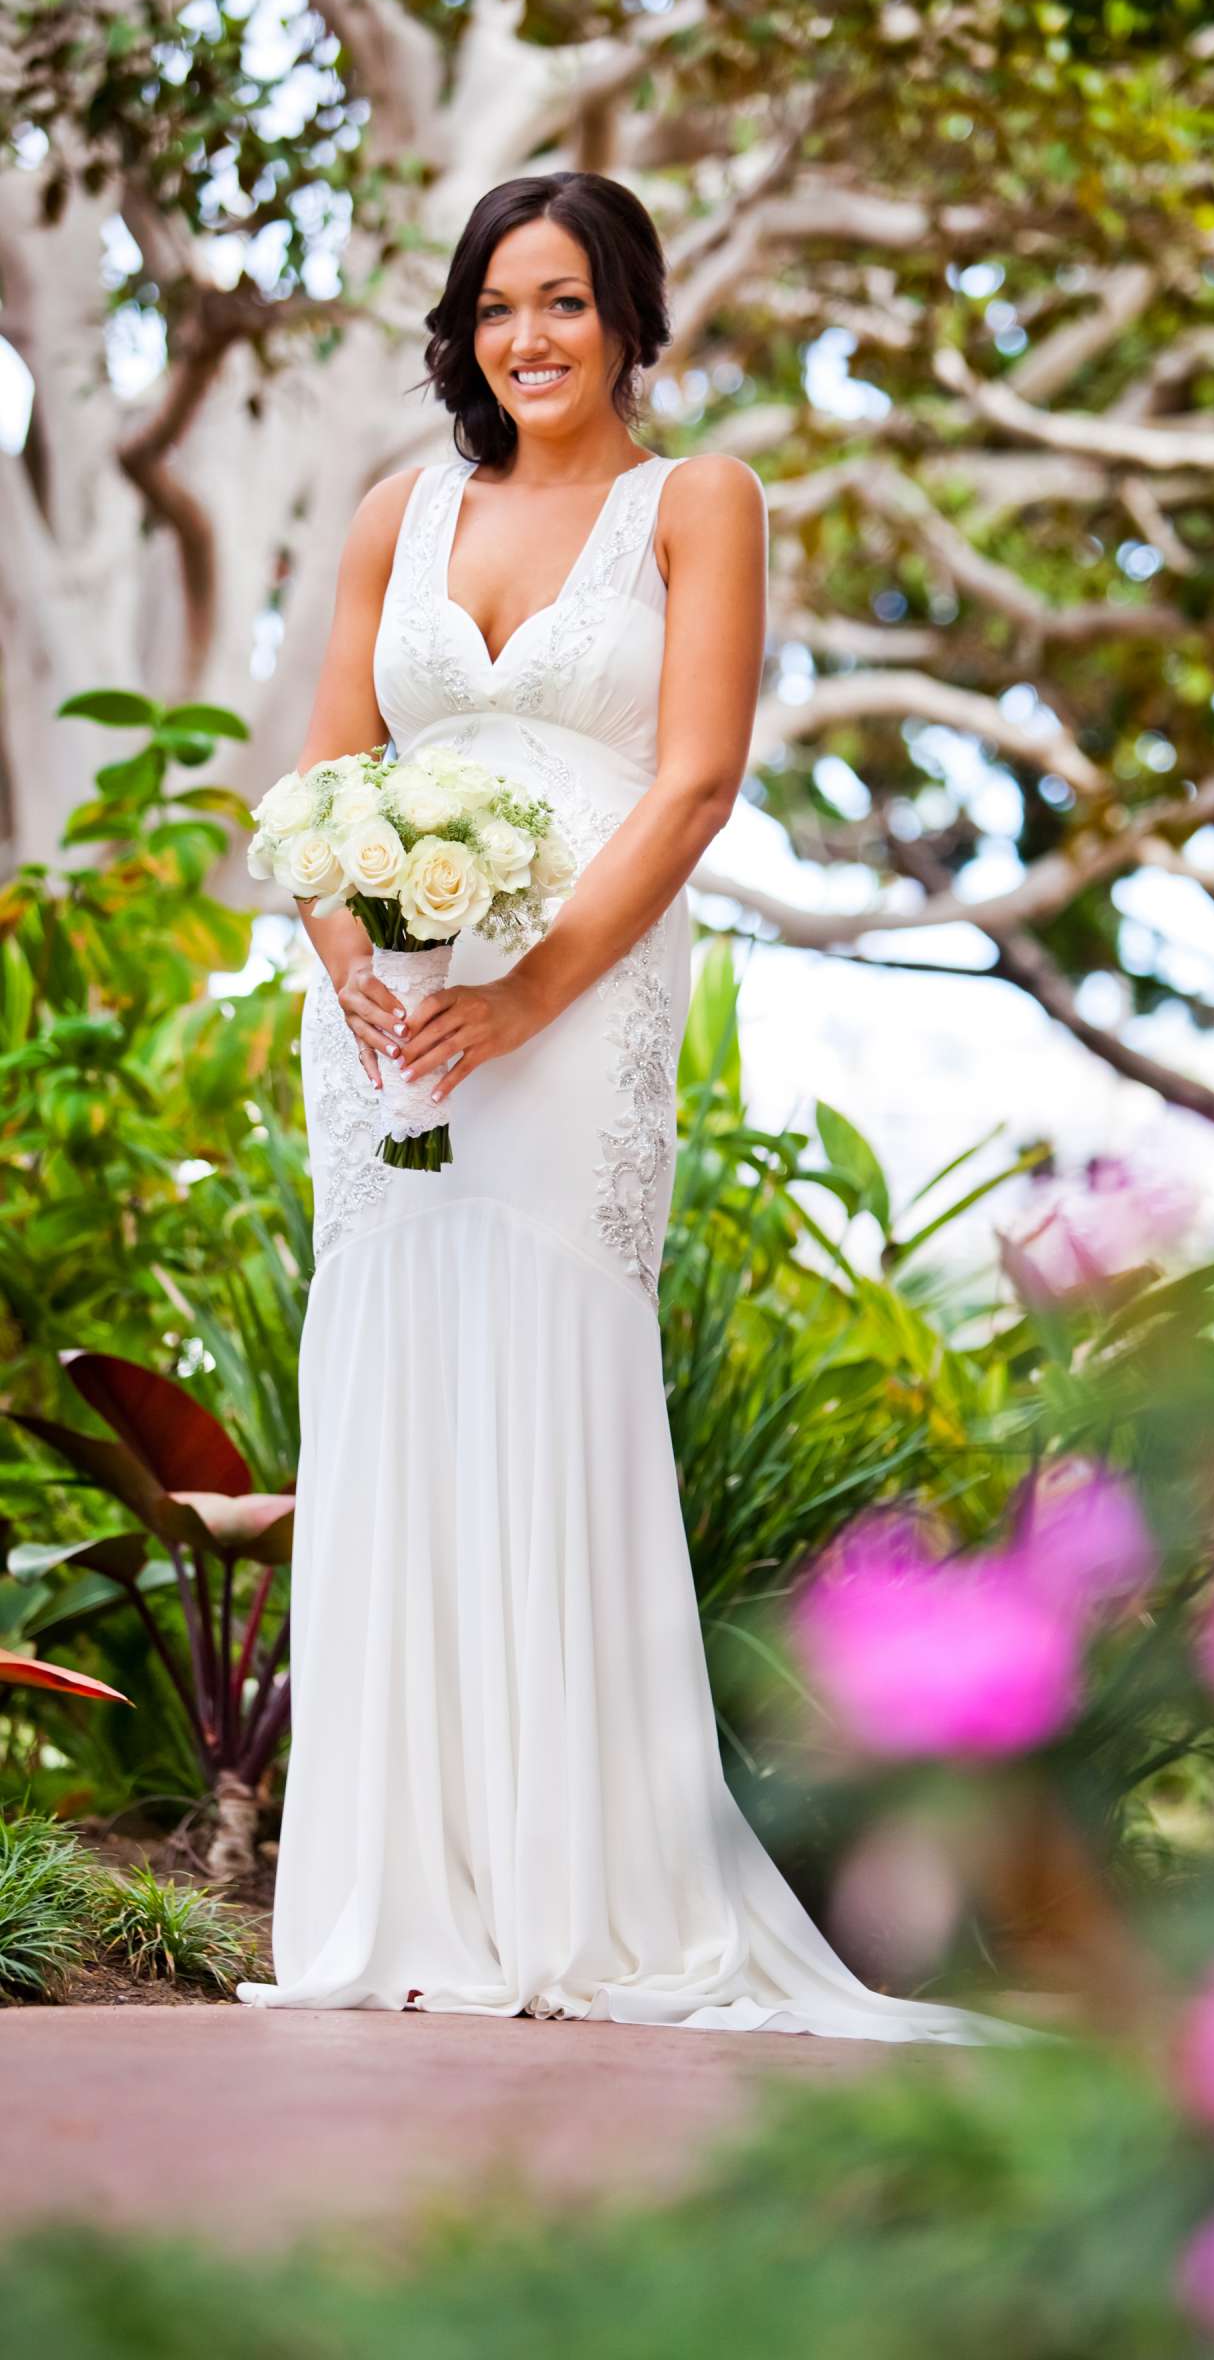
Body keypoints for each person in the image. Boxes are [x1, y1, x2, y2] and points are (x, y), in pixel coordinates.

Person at [235, 171, 1025, 2043]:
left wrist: (519, 992)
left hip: (573, 998)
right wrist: (350, 952)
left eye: (569, 302)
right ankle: (394, 1891)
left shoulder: (699, 503)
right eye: (503, 303)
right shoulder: (395, 512)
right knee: (394, 1358)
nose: (532, 337)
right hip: (384, 1013)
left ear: (630, 318)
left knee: (550, 1360)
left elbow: (691, 787)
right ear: (466, 323)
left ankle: (580, 1893)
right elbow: (326, 760)